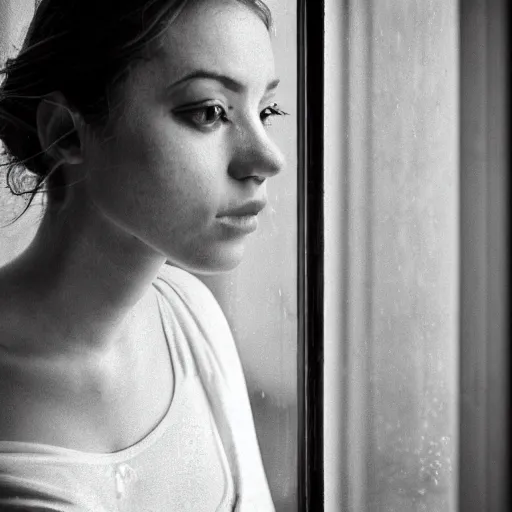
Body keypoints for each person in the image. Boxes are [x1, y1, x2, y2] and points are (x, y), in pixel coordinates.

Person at [0, 0, 287, 510]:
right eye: (209, 112)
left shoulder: (193, 321)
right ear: (65, 131)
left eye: (265, 112)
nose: (267, 158)